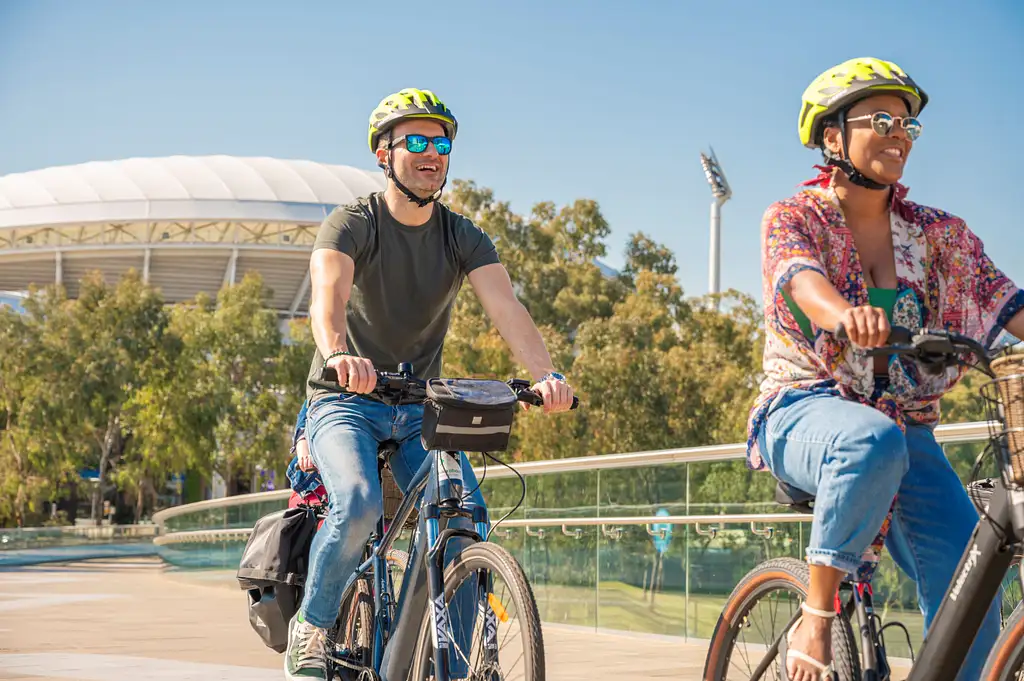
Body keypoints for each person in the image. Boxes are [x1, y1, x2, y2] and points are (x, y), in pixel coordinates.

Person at [285, 87, 576, 681]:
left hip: (420, 408)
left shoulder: (461, 236)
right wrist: (340, 355)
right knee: (360, 503)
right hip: (345, 400)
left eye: (440, 142)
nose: (430, 153)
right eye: (414, 141)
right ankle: (311, 628)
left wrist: (546, 375)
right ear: (382, 154)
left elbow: (510, 312)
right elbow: (327, 301)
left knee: (467, 515)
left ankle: (449, 658)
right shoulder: (353, 223)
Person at [748, 57, 1024, 681]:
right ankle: (816, 617)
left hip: (909, 428)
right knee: (869, 441)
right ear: (832, 135)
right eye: (881, 119)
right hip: (804, 408)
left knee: (973, 577)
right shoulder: (794, 216)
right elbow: (800, 280)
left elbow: (1006, 301)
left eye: (907, 124)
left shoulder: (939, 234)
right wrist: (844, 313)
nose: (899, 133)